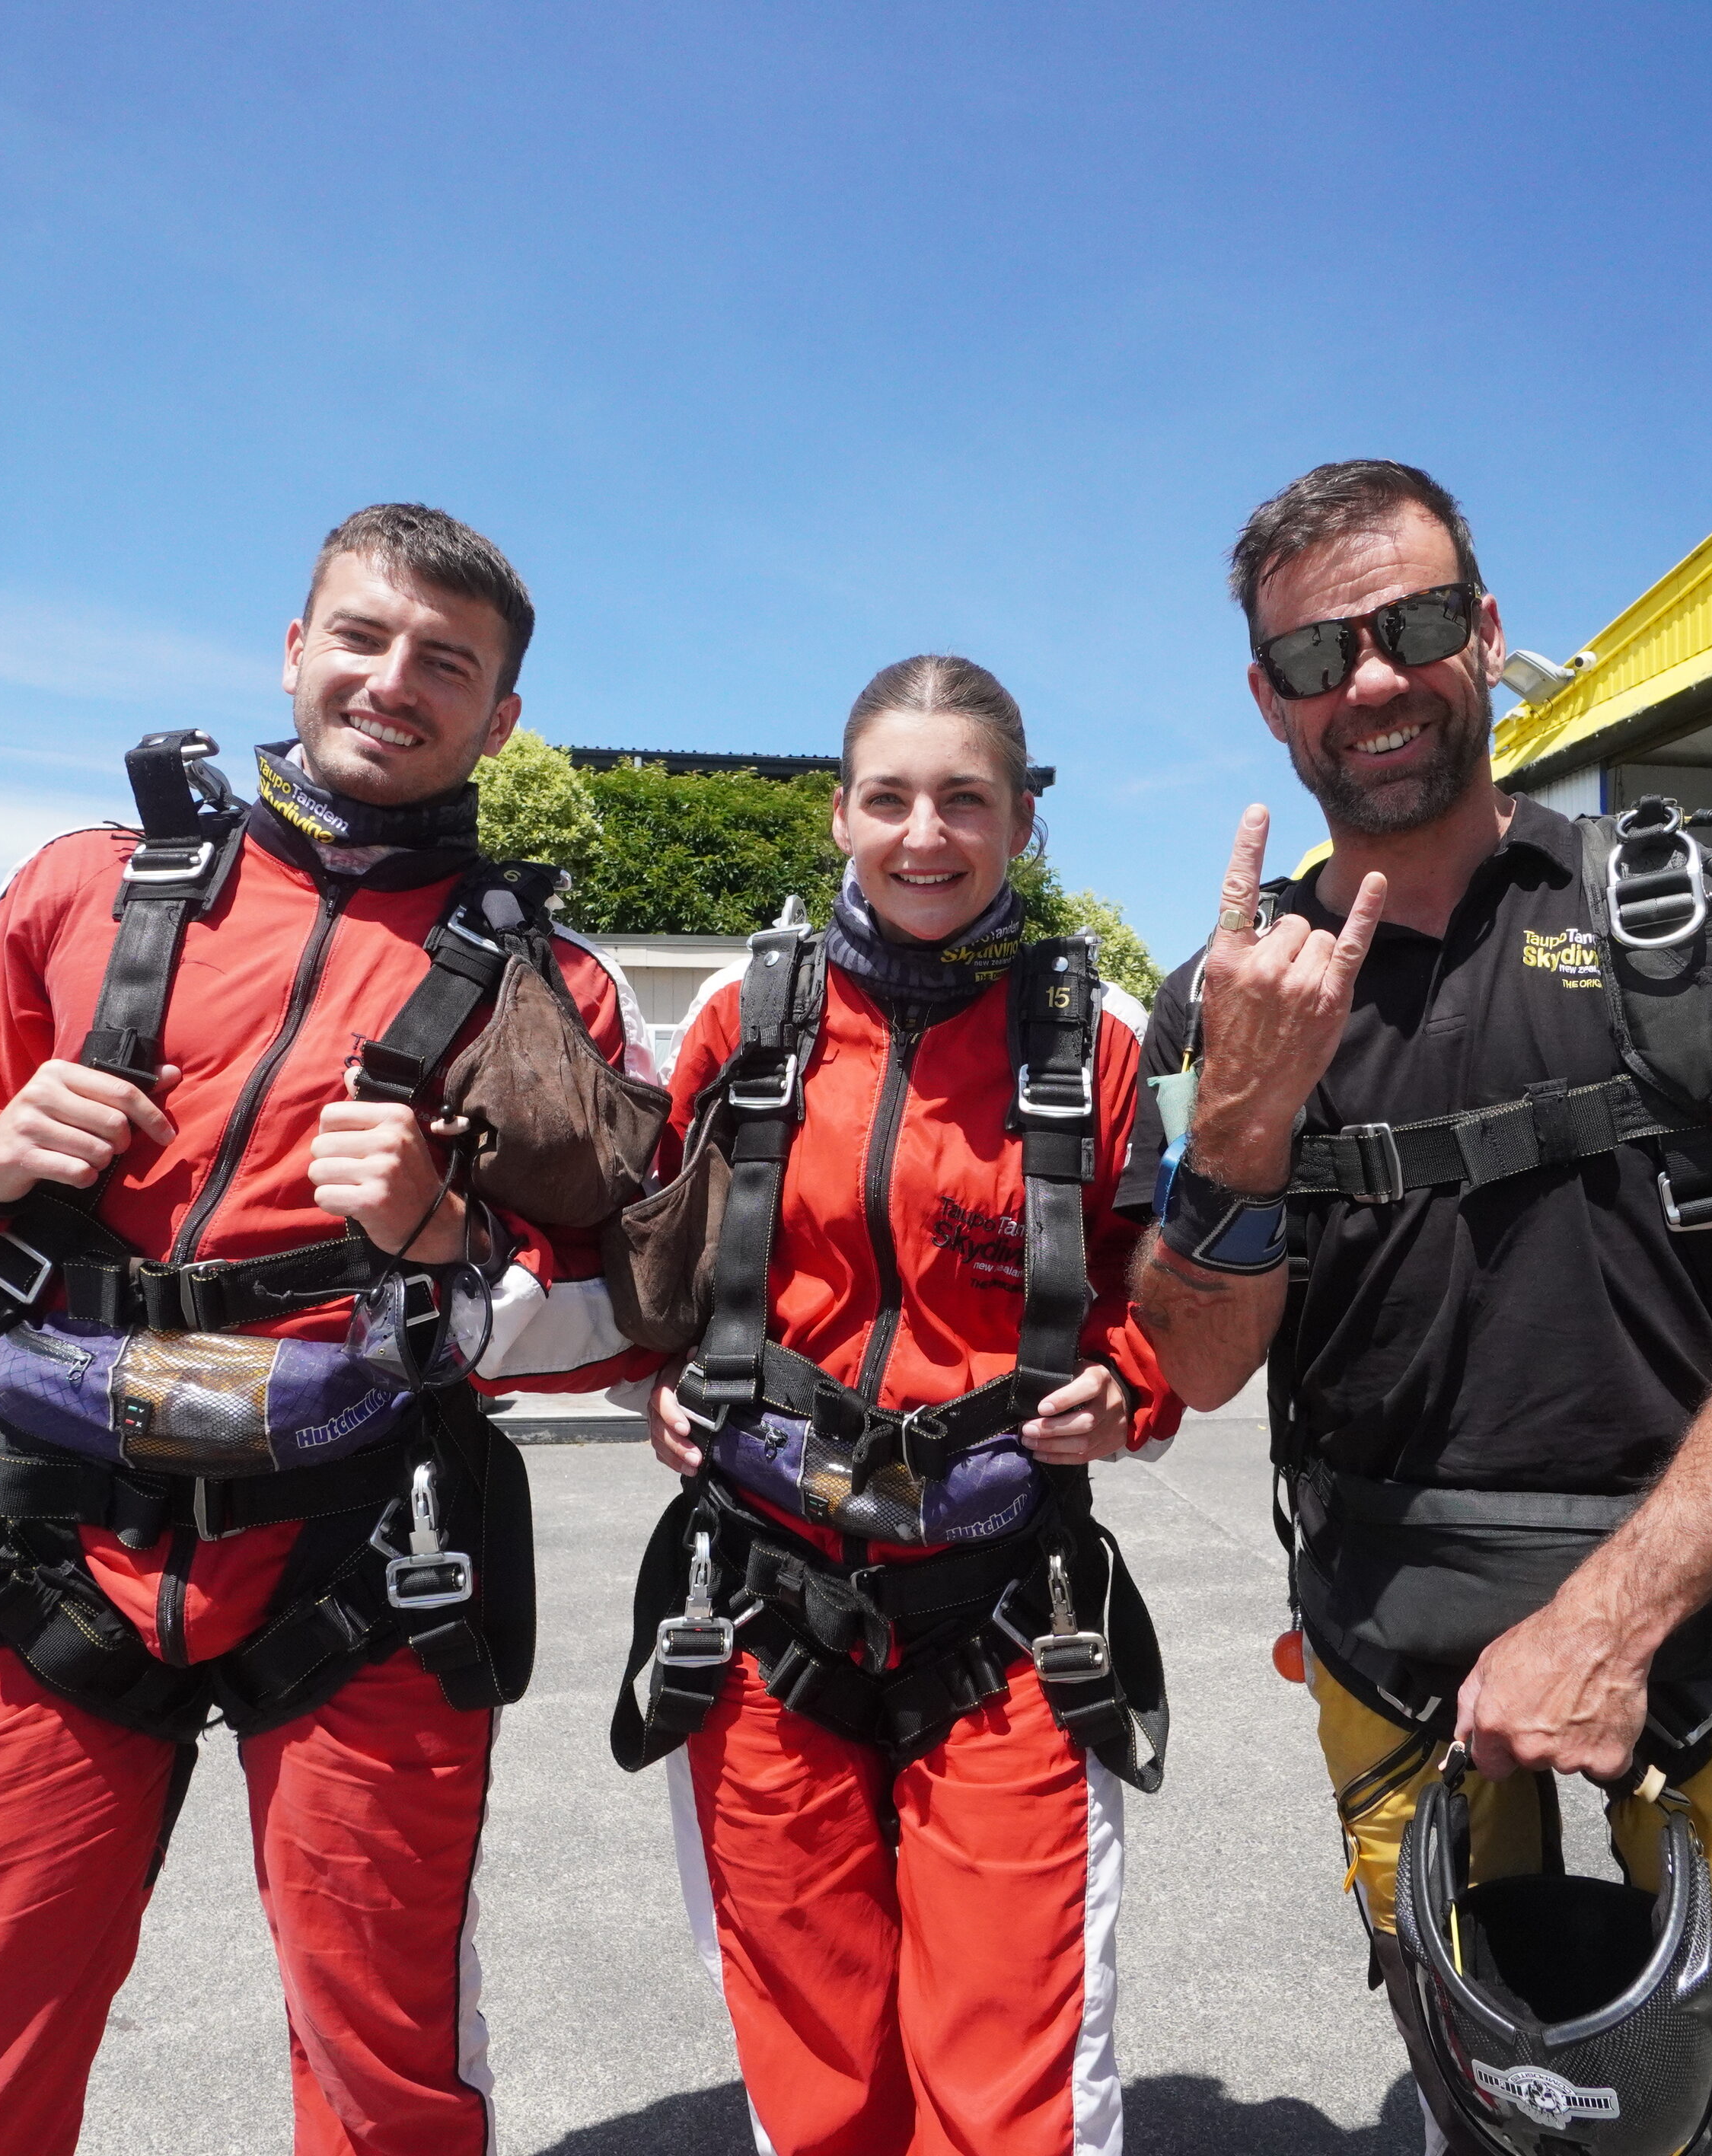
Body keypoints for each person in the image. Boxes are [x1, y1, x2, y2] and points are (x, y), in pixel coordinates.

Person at [0, 503, 658, 2156]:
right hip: (42, 1545)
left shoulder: (550, 985)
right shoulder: (80, 891)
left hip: (355, 1567)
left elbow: (620, 1317)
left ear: (501, 719)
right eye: (360, 637)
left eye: (447, 664)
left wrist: (438, 1242)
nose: (391, 682)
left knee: (389, 2065)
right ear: (293, 651)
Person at [1124, 461, 1712, 2156]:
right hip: (1379, 1616)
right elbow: (1192, 1369)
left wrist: (1608, 1623)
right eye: (1311, 654)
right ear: (1263, 700)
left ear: (1483, 633)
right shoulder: (1222, 994)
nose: (1369, 681)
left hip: (1703, 1622)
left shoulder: (1691, 917)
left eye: (1411, 626)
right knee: (1484, 2088)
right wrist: (1248, 1119)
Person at [609, 655, 1181, 2156]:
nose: (924, 834)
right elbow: (663, 1244)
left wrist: (1131, 1386)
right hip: (755, 1600)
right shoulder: (748, 1010)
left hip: (1001, 1607)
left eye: (964, 800)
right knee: (816, 2070)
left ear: (1020, 825)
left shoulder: (1094, 1037)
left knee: (1008, 2089)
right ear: (841, 816)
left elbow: (1154, 1280)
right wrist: (657, 1379)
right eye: (890, 798)